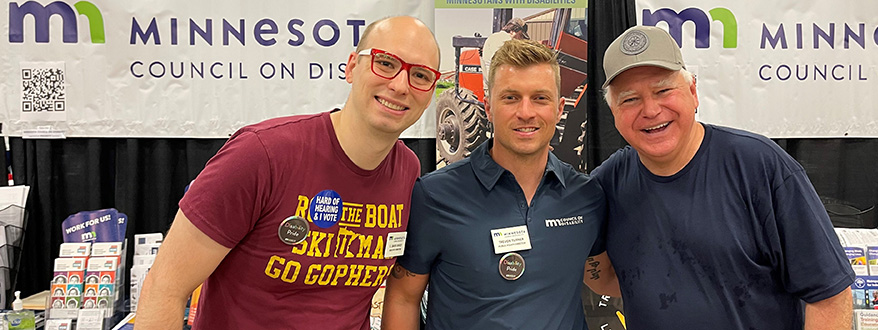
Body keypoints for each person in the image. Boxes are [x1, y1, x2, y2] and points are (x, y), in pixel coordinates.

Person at [135, 16, 441, 329]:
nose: (400, 85)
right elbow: (165, 288)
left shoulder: (406, 169)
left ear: (431, 92)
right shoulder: (260, 154)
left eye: (420, 75)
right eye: (386, 63)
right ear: (351, 67)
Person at [585, 25, 855, 329]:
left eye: (663, 91)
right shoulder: (607, 184)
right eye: (630, 99)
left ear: (692, 92)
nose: (650, 109)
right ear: (613, 113)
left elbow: (830, 295)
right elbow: (605, 278)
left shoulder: (760, 166)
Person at [381, 39, 605, 329]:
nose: (526, 112)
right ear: (487, 107)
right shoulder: (435, 195)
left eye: (540, 98)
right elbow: (403, 297)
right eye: (510, 98)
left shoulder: (586, 196)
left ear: (559, 108)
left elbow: (606, 277)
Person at [481, 18, 530, 92]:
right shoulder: (506, 41)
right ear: (513, 31)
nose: (521, 39)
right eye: (521, 35)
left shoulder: (493, 37)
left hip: (492, 86)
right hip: (501, 88)